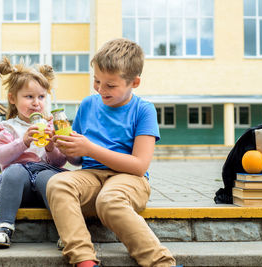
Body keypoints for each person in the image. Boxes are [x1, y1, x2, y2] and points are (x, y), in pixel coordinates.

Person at [47, 38, 177, 267]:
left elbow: (139, 165)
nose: (100, 89)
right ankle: (84, 260)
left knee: (109, 200)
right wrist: (66, 146)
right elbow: (77, 160)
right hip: (91, 178)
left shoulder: (143, 110)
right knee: (58, 183)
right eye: (97, 81)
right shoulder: (87, 105)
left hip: (129, 180)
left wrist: (90, 148)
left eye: (110, 85)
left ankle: (161, 263)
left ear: (134, 82)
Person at [0, 57, 67, 248]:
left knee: (49, 176)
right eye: (29, 97)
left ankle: (67, 231)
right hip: (18, 188)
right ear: (12, 98)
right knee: (14, 171)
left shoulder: (51, 124)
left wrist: (51, 147)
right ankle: (3, 227)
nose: (36, 103)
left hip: (45, 187)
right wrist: (23, 142)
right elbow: (1, 157)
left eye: (41, 97)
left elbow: (59, 162)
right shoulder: (7, 127)